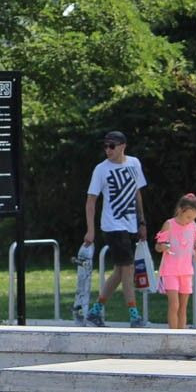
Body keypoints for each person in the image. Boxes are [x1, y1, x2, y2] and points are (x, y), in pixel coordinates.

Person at [83, 130, 149, 327]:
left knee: (120, 271)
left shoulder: (134, 163)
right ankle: (134, 315)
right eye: (105, 146)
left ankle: (95, 311)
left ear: (122, 146)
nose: (108, 150)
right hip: (113, 225)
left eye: (112, 146)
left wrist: (142, 222)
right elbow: (91, 201)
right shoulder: (101, 170)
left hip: (129, 223)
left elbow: (137, 193)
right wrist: (90, 230)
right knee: (128, 269)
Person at [155, 193, 196, 330]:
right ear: (180, 210)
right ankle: (173, 334)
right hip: (170, 270)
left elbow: (194, 244)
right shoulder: (169, 224)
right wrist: (163, 246)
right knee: (174, 305)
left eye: (193, 218)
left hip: (186, 271)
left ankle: (181, 335)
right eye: (188, 217)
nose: (190, 220)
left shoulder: (192, 226)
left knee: (183, 307)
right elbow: (158, 246)